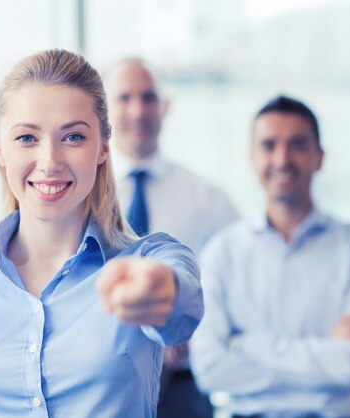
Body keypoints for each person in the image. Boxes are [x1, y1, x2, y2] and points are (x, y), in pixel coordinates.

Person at [0, 49, 204, 418]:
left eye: (73, 137)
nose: (50, 162)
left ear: (103, 147)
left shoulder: (150, 259)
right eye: (26, 138)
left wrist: (162, 293)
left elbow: (183, 311)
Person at [190, 95, 350, 417]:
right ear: (252, 158)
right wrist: (324, 366)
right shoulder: (221, 253)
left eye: (297, 144)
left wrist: (247, 346)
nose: (282, 158)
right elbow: (210, 368)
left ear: (319, 157)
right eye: (269, 145)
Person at [106, 58, 238, 418]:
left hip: (183, 388)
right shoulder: (80, 197)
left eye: (149, 97)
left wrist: (195, 333)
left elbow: (235, 287)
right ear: (104, 109)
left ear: (165, 106)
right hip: (103, 387)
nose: (138, 109)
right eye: (125, 97)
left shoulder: (209, 199)